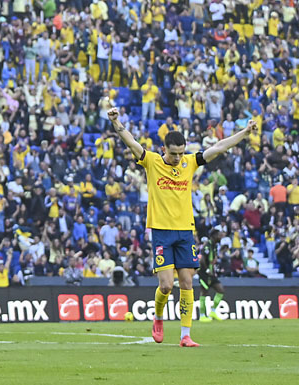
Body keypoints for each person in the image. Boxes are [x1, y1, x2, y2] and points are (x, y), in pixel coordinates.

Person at [109, 106, 257, 346]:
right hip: (161, 231)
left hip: (185, 231)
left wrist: (244, 133)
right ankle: (158, 318)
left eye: (181, 153)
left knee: (188, 282)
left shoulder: (190, 162)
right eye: (174, 153)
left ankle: (185, 335)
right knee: (166, 286)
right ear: (163, 149)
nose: (178, 158)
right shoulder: (152, 161)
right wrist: (117, 123)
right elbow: (132, 143)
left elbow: (219, 147)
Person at [198, 227, 226, 323]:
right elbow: (201, 260)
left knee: (220, 290)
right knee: (204, 292)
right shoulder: (207, 245)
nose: (220, 237)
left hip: (211, 273)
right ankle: (202, 315)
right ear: (214, 236)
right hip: (204, 273)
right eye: (219, 235)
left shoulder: (214, 246)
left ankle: (213, 311)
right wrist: (206, 270)